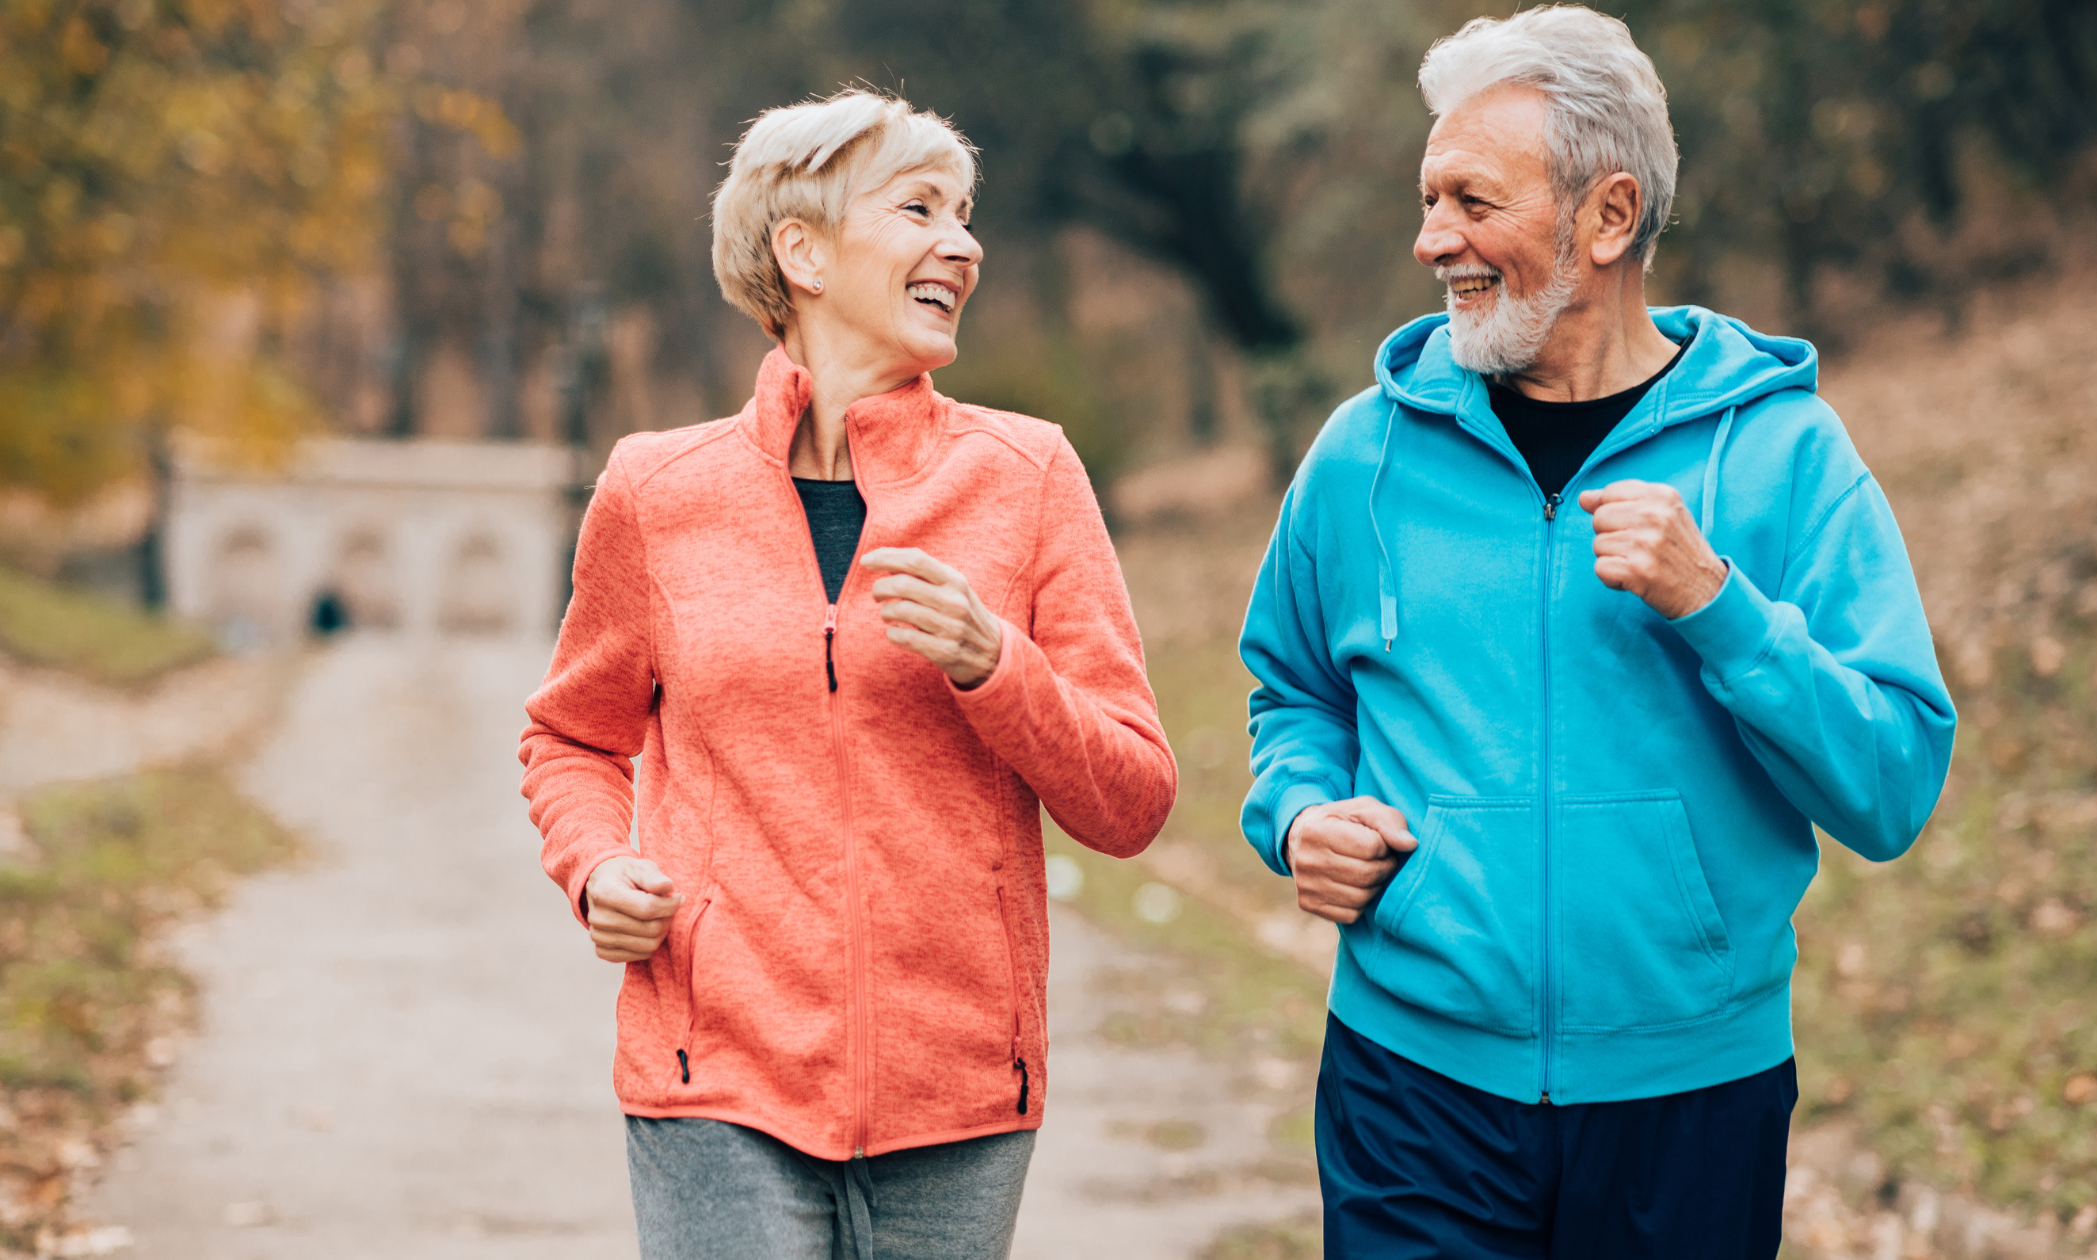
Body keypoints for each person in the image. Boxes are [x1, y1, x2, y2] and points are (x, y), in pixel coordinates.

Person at [1237, 9, 1956, 1257]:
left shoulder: (1783, 454)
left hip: (1690, 1094)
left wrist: (1719, 610)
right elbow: (1291, 688)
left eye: (1471, 200)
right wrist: (1298, 811)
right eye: (1425, 198)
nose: (1428, 240)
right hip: (1412, 1082)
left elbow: (1890, 782)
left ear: (1607, 218)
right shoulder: (1361, 452)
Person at [519, 89, 1176, 1260]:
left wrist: (995, 666)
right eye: (920, 207)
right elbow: (573, 736)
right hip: (711, 1066)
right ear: (802, 250)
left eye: (967, 215)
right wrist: (595, 865)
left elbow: (1129, 800)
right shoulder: (656, 493)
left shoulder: (1026, 478)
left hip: (960, 1090)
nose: (963, 244)